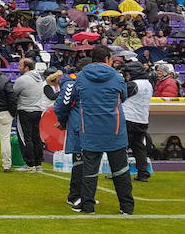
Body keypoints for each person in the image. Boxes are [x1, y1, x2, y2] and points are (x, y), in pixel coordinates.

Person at [54, 45, 134, 215]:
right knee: (120, 170)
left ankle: (88, 206)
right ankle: (126, 206)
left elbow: (70, 99)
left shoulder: (80, 78)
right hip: (115, 129)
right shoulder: (117, 77)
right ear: (107, 59)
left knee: (89, 172)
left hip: (89, 129)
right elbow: (124, 97)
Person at [121, 61, 152, 182]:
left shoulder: (133, 84)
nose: (127, 76)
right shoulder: (148, 84)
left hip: (129, 119)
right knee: (139, 148)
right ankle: (143, 173)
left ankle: (121, 173)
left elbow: (119, 96)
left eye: (128, 73)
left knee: (121, 147)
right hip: (142, 119)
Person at [13, 59, 46, 172]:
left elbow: (13, 93)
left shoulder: (22, 80)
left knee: (25, 138)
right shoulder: (39, 78)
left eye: (20, 65)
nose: (18, 67)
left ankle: (29, 164)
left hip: (25, 111)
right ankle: (38, 164)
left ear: (26, 68)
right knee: (36, 137)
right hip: (37, 110)